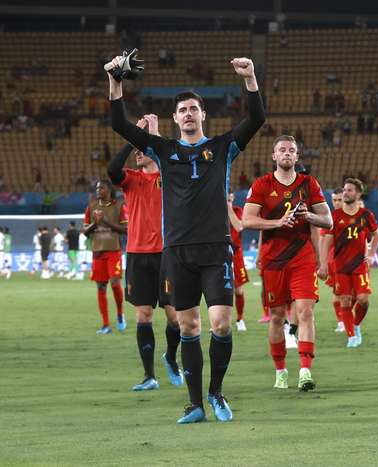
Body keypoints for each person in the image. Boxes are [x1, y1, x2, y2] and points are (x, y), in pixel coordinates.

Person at [107, 54, 265, 423]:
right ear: (175, 119)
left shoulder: (224, 147)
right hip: (176, 253)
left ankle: (216, 393)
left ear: (202, 115)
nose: (189, 114)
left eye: (194, 108)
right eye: (183, 110)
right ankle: (195, 404)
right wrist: (115, 80)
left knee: (222, 323)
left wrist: (251, 78)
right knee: (189, 326)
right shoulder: (162, 150)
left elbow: (257, 119)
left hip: (215, 249)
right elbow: (118, 122)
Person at [242, 135, 333, 392]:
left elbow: (328, 221)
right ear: (274, 156)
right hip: (274, 260)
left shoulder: (309, 184)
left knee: (305, 311)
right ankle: (280, 371)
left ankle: (305, 370)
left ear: (297, 156)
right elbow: (248, 220)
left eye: (291, 150)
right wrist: (277, 223)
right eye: (282, 149)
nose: (287, 153)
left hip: (302, 257)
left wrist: (310, 215)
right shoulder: (262, 185)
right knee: (277, 317)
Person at [107, 114, 183, 392]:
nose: (138, 154)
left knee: (175, 317)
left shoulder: (170, 177)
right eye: (136, 150)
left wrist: (155, 133)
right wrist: (133, 138)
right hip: (138, 255)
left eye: (143, 149)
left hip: (167, 254)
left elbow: (173, 157)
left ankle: (171, 358)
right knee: (144, 317)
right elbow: (112, 170)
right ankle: (149, 376)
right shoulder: (132, 180)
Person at [319, 178, 378, 348]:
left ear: (359, 194)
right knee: (344, 301)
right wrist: (323, 264)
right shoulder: (335, 216)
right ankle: (351, 336)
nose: (345, 192)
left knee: (363, 300)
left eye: (350, 190)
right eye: (344, 189)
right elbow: (327, 241)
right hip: (341, 267)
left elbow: (376, 235)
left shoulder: (366, 215)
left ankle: (356, 324)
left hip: (360, 266)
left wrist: (372, 254)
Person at [81, 180, 128, 334]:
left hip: (114, 251)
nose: (98, 190)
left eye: (101, 187)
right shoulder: (91, 207)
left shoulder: (119, 206)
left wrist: (106, 222)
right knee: (101, 287)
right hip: (97, 252)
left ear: (109, 189)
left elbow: (126, 229)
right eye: (97, 188)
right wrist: (95, 224)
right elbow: (85, 231)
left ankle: (120, 314)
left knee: (115, 283)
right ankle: (106, 324)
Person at [324, 188, 346, 333]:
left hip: (353, 261)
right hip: (336, 261)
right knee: (338, 295)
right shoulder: (329, 218)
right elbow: (323, 240)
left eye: (340, 200)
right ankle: (342, 322)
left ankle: (346, 321)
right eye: (334, 200)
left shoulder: (355, 215)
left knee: (354, 296)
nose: (337, 203)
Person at [227, 191, 249, 331]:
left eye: (230, 198)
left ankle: (240, 319)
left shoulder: (238, 211)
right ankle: (220, 321)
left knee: (238, 290)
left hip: (236, 254)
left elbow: (239, 226)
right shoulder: (213, 212)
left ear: (233, 197)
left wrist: (228, 208)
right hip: (219, 254)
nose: (228, 200)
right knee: (220, 291)